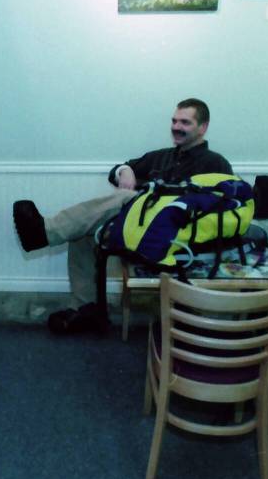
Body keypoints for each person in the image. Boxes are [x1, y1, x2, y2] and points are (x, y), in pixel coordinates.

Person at [12, 98, 232, 331]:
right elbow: (117, 170)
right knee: (83, 234)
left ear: (203, 127)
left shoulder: (216, 164)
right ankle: (85, 310)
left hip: (175, 238)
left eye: (185, 122)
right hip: (137, 229)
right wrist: (124, 171)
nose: (176, 127)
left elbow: (220, 209)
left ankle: (46, 231)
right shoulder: (162, 156)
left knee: (128, 197)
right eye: (174, 121)